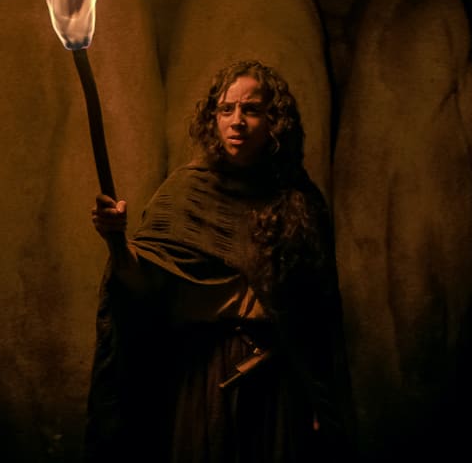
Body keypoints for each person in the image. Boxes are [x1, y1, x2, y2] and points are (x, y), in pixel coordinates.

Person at [86, 59, 354, 462]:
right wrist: (116, 240)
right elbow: (142, 286)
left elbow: (317, 315)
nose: (237, 121)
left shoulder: (300, 201)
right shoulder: (185, 192)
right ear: (213, 118)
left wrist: (319, 396)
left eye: (252, 109)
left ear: (274, 121)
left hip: (279, 383)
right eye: (226, 109)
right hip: (203, 375)